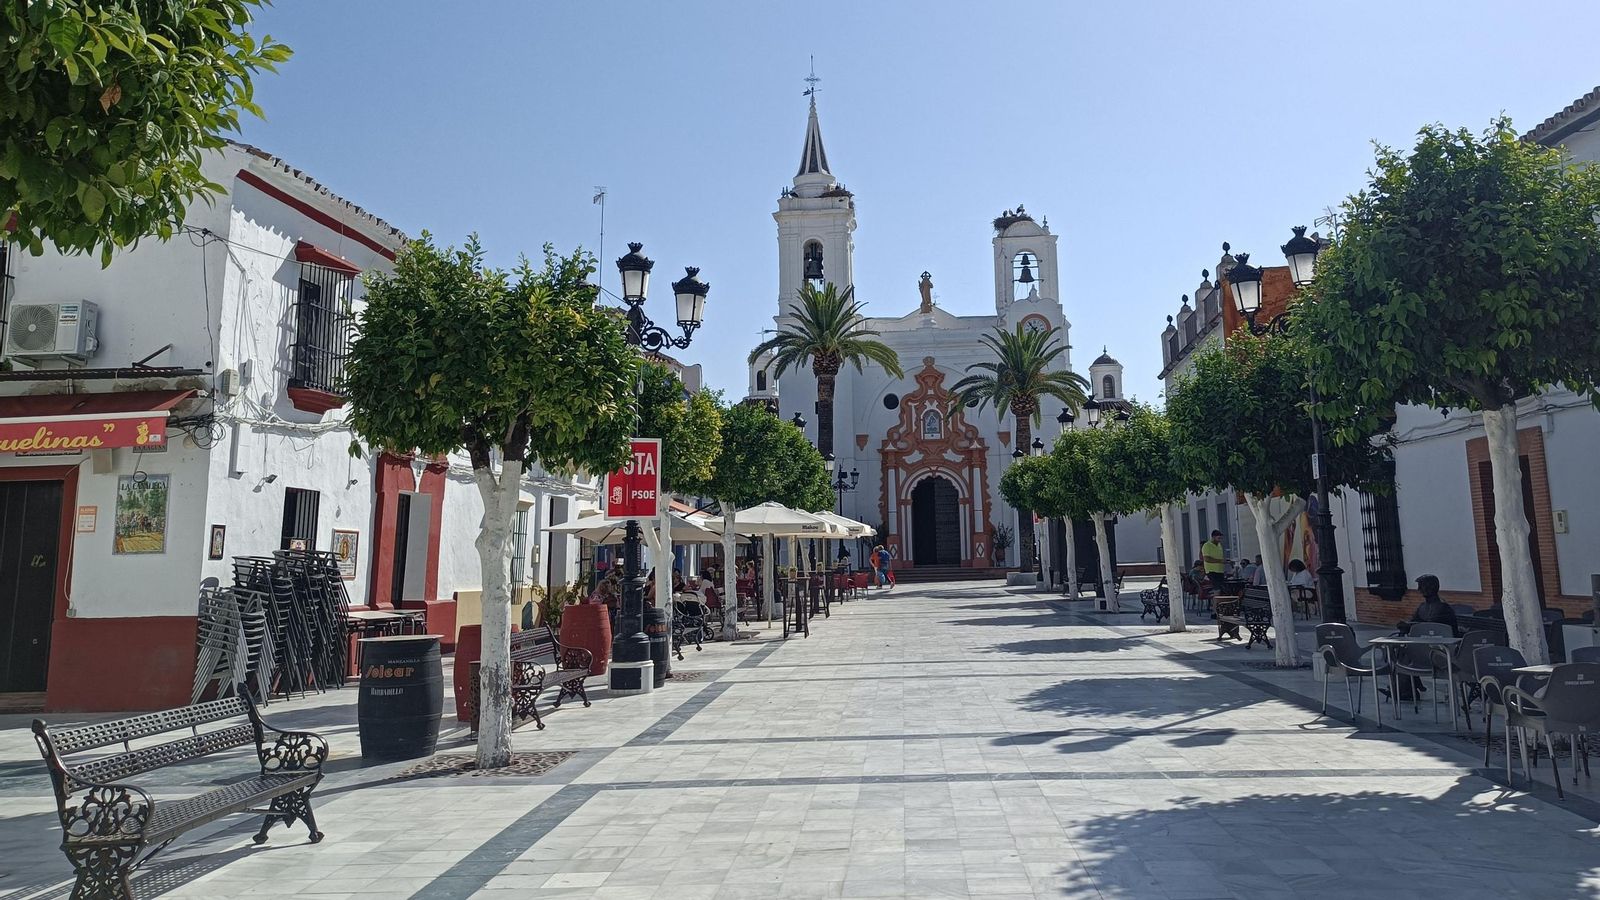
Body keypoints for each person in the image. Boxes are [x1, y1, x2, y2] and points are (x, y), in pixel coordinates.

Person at [1201, 530, 1227, 595]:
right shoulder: (1207, 545)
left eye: (1221, 538)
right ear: (1213, 537)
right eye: (1218, 538)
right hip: (1212, 571)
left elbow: (1219, 557)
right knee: (1217, 589)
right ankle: (1216, 600)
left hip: (1220, 571)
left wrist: (1226, 561)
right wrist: (1220, 561)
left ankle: (1219, 600)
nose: (1220, 540)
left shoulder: (1219, 545)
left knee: (1222, 589)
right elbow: (1206, 559)